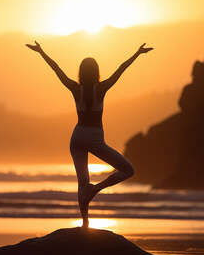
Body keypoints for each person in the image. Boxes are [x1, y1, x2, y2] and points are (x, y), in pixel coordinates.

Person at [26, 41, 153, 228]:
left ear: (81, 72)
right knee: (128, 170)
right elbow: (121, 69)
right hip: (94, 138)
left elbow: (57, 69)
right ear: (96, 72)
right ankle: (96, 190)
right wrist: (137, 53)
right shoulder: (101, 89)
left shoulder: (75, 89)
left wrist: (41, 52)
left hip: (76, 137)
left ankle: (85, 222)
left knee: (82, 182)